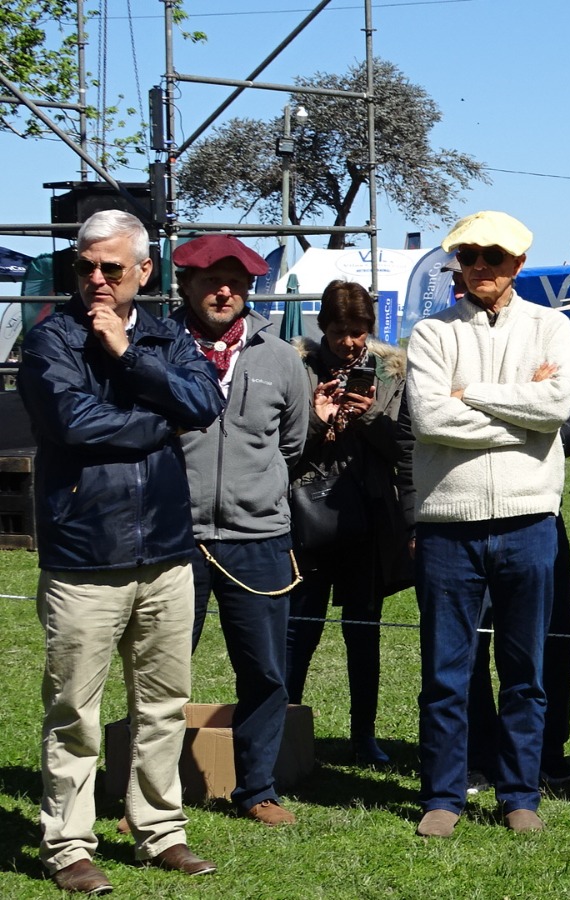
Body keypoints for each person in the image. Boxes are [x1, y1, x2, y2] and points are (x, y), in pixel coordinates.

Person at [19, 210, 222, 893]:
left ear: (144, 270)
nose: (97, 279)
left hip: (166, 552)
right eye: (86, 266)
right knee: (75, 712)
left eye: (111, 267)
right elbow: (72, 423)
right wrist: (161, 421)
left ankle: (160, 831)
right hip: (85, 554)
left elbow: (205, 402)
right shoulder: (50, 339)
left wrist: (128, 355)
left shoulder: (163, 335)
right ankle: (68, 845)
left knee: (163, 705)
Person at [406, 210, 570, 837]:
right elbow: (429, 418)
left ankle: (519, 795)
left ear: (518, 265)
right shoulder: (431, 332)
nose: (480, 266)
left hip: (529, 519)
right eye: (469, 255)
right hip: (448, 524)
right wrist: (520, 415)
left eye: (494, 257)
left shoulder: (552, 326)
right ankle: (443, 797)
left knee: (525, 672)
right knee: (445, 673)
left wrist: (469, 394)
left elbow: (556, 407)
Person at [172, 235, 309, 829]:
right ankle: (150, 794)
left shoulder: (280, 358)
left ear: (250, 288)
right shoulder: (157, 349)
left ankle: (257, 789)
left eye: (234, 282)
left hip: (258, 538)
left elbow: (293, 443)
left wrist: (254, 489)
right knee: (161, 672)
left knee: (265, 671)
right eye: (209, 280)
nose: (222, 292)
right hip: (173, 536)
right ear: (185, 286)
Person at [284, 280, 413, 766]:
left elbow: (404, 448)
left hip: (369, 517)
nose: (349, 342)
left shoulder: (392, 372)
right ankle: (285, 731)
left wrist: (368, 417)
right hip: (307, 516)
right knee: (300, 630)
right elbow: (283, 447)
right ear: (322, 326)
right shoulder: (297, 368)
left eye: (358, 331)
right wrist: (319, 420)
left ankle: (364, 737)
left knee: (363, 632)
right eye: (339, 331)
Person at [465, 380, 570, 792]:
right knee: (469, 640)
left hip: (538, 509)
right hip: (466, 511)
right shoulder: (457, 344)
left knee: (554, 635)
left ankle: (545, 752)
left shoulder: (545, 343)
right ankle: (478, 756)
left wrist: (542, 440)